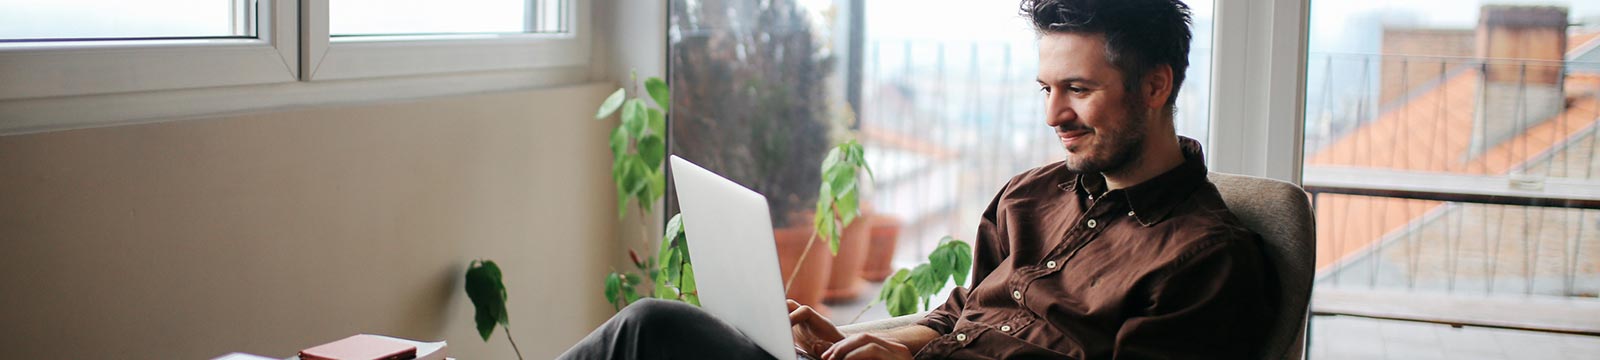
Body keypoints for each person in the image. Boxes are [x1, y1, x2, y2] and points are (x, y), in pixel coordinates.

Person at [558, 0, 1275, 358]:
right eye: (1045, 89)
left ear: (1155, 86)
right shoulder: (1033, 195)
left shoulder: (1204, 260)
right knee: (655, 331)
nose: (1055, 114)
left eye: (1078, 90)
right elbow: (966, 310)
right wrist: (879, 342)